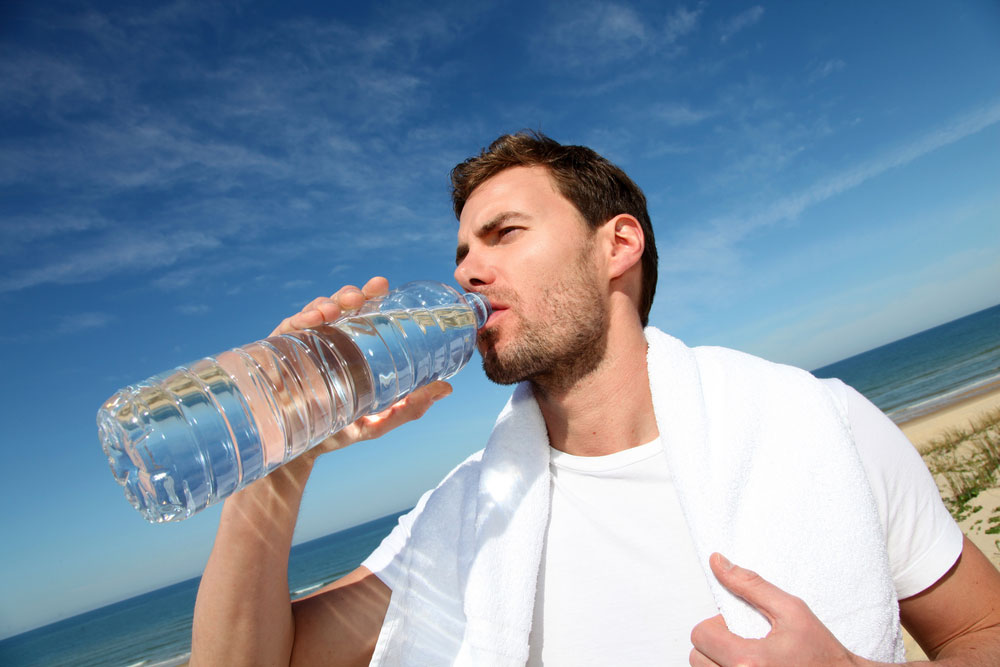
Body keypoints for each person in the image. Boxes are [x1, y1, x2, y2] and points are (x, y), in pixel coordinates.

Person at [190, 132, 1000, 666]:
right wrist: (273, 464)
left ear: (617, 245)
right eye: (462, 251)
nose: (467, 272)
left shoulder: (819, 425)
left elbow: (977, 630)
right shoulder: (469, 515)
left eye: (504, 234)